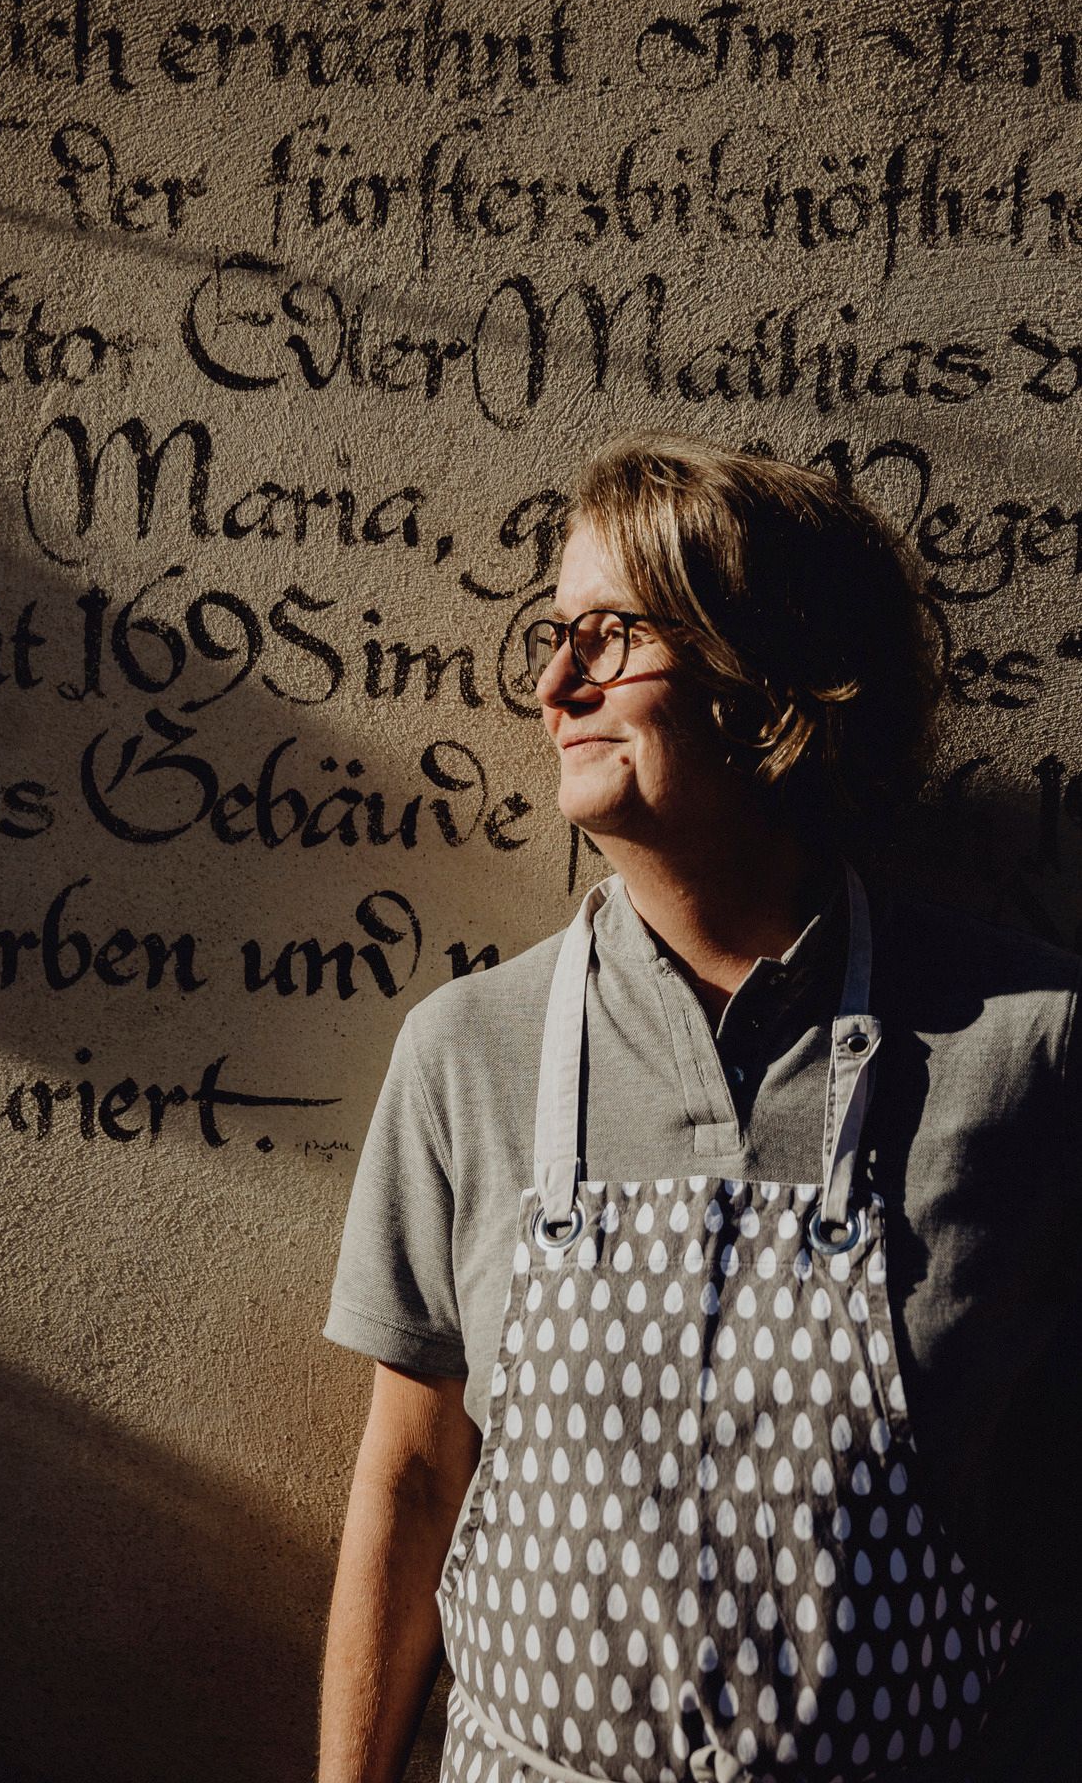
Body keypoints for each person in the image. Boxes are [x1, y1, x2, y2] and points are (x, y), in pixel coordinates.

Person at [317, 431, 1079, 1783]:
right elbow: (413, 1482)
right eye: (555, 639)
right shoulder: (465, 1054)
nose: (557, 687)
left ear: (765, 677)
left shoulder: (1028, 1051)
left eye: (610, 637)